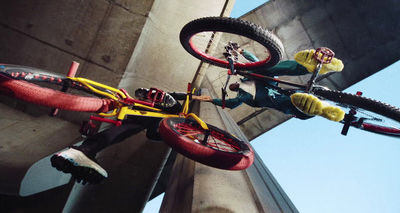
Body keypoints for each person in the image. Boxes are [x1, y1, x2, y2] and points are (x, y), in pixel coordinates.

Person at [51, 89, 186, 185]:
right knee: (173, 112)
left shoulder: (160, 124)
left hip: (149, 114)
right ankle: (158, 97)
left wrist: (167, 136)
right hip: (155, 110)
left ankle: (83, 150)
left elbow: (152, 135)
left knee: (131, 127)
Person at [193, 47, 346, 122]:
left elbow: (254, 62)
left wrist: (241, 50)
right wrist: (211, 100)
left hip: (267, 80)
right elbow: (229, 104)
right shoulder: (240, 97)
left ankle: (312, 66)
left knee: (267, 67)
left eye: (232, 85)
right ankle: (315, 109)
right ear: (233, 90)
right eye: (231, 87)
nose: (231, 86)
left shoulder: (245, 79)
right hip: (265, 96)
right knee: (278, 100)